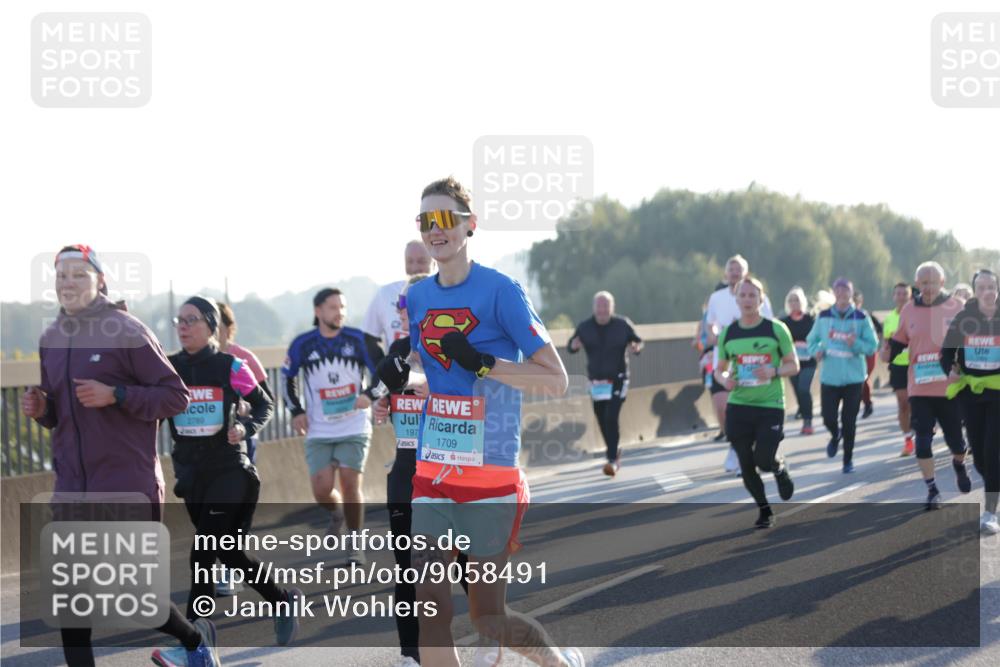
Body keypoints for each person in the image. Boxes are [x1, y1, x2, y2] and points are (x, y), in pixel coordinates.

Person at [392, 176, 582, 667]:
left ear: (469, 225)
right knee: (429, 607)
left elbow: (555, 379)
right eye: (425, 221)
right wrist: (401, 379)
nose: (436, 230)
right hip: (433, 465)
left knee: (486, 619)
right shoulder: (417, 298)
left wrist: (484, 363)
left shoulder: (500, 291)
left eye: (445, 219)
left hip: (491, 468)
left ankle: (557, 663)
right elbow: (434, 375)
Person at [20, 246, 220, 667]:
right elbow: (62, 413)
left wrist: (118, 394)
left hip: (125, 482)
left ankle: (193, 643)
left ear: (101, 281)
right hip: (73, 486)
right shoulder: (51, 339)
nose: (67, 283)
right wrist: (43, 410)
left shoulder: (127, 330)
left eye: (78, 275)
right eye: (61, 276)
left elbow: (175, 396)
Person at [161, 295, 301, 656]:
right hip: (192, 475)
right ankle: (282, 600)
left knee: (203, 550)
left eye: (191, 319)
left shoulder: (230, 365)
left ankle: (195, 642)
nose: (183, 326)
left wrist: (246, 427)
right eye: (179, 320)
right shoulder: (167, 368)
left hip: (230, 470)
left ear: (211, 325)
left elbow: (264, 403)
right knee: (230, 554)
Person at [373, 274, 471, 667]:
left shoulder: (452, 344)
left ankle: (495, 630)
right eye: (401, 307)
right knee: (406, 565)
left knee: (463, 561)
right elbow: (388, 394)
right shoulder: (396, 350)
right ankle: (411, 655)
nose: (403, 314)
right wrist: (383, 406)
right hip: (407, 466)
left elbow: (471, 392)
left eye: (410, 306)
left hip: (450, 468)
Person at [283, 288, 384, 565]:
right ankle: (336, 511)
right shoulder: (302, 344)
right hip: (319, 429)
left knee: (351, 483)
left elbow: (382, 372)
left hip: (354, 426)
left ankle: (355, 543)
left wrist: (370, 395)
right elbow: (287, 379)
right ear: (318, 311)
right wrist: (297, 411)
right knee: (321, 489)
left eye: (343, 307)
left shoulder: (357, 339)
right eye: (332, 307)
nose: (339, 312)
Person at [714, 276, 798, 529]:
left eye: (753, 295)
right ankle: (764, 510)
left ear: (761, 300)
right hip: (739, 405)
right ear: (736, 299)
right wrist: (725, 379)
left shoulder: (776, 329)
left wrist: (774, 371)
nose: (748, 300)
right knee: (745, 461)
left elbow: (794, 365)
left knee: (763, 459)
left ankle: (778, 467)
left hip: (770, 404)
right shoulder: (729, 333)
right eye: (743, 295)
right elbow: (719, 369)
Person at [887, 261, 970, 510]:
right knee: (922, 441)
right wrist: (887, 351)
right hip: (919, 388)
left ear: (942, 283)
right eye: (923, 283)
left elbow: (972, 344)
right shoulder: (909, 310)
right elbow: (899, 341)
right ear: (917, 284)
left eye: (933, 282)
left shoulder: (958, 307)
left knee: (957, 443)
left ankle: (958, 462)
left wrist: (962, 370)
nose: (928, 287)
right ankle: (932, 489)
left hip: (950, 388)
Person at [941, 269, 1000, 534]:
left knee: (992, 450)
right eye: (982, 287)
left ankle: (990, 511)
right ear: (975, 292)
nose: (988, 291)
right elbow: (946, 353)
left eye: (992, 286)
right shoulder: (964, 319)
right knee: (978, 458)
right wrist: (950, 370)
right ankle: (994, 486)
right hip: (970, 394)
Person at [704, 255, 774, 472]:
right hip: (723, 362)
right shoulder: (716, 297)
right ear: (725, 273)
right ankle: (736, 445)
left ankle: (743, 448)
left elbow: (769, 326)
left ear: (746, 273)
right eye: (731, 269)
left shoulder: (758, 296)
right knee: (722, 407)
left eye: (738, 269)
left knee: (745, 411)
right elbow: (709, 324)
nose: (734, 273)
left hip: (751, 362)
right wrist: (715, 335)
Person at [567, 291, 643, 476]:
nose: (602, 310)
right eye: (599, 306)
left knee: (611, 416)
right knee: (601, 418)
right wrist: (573, 346)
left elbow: (638, 342)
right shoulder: (585, 327)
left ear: (612, 308)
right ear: (594, 308)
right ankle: (614, 452)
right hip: (596, 382)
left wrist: (635, 347)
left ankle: (611, 460)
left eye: (605, 306)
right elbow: (570, 345)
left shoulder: (622, 324)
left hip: (618, 378)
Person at [806, 278, 878, 473]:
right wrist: (816, 351)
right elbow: (811, 340)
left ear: (851, 293)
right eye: (838, 289)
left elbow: (873, 346)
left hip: (854, 378)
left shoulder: (861, 317)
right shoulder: (824, 317)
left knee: (849, 420)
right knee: (827, 416)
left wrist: (855, 344)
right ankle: (834, 434)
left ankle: (848, 460)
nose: (842, 293)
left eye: (846, 290)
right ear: (834, 293)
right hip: (829, 377)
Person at [363, 240, 434, 349]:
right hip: (398, 362)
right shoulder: (385, 294)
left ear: (434, 263)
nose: (415, 268)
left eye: (421, 261)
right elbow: (369, 336)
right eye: (409, 261)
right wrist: (381, 364)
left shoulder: (447, 292)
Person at [881, 283, 915, 456]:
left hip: (917, 364)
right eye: (898, 294)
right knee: (903, 404)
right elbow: (886, 344)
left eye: (904, 294)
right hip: (898, 366)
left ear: (910, 296)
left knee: (917, 402)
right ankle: (908, 440)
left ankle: (922, 428)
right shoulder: (889, 319)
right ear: (894, 296)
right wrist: (883, 352)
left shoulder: (917, 314)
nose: (901, 297)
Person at [780, 287, 816, 435]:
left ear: (802, 302)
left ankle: (808, 421)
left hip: (809, 360)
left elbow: (818, 337)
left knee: (803, 388)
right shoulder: (783, 322)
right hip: (791, 362)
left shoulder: (811, 319)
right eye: (791, 300)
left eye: (797, 300)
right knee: (797, 390)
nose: (794, 303)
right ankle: (803, 409)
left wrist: (809, 345)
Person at [852, 291, 882, 419]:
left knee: (864, 378)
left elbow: (880, 331)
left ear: (860, 302)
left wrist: (875, 345)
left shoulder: (866, 316)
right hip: (855, 353)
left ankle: (867, 404)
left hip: (869, 353)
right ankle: (859, 402)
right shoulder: (844, 318)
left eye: (855, 302)